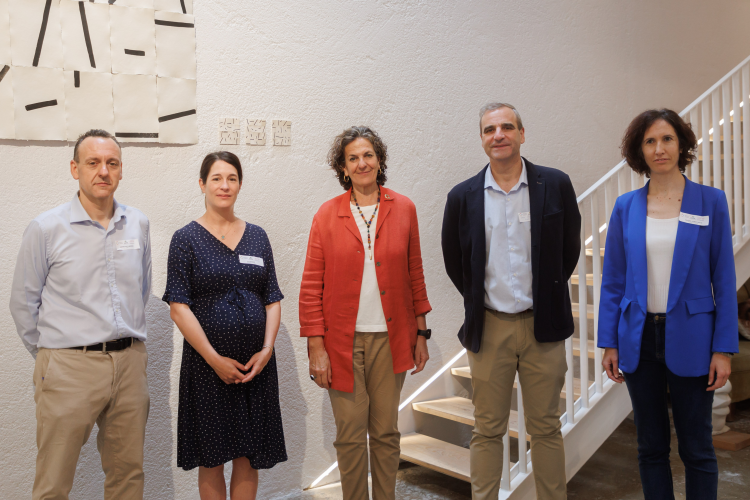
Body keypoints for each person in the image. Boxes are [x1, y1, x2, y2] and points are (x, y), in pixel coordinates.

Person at [442, 103, 581, 500]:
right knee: (487, 429)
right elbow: (456, 262)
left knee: (546, 429)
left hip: (544, 327)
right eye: (489, 130)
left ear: (522, 133)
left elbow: (568, 249)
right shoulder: (463, 196)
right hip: (490, 328)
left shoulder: (554, 184)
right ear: (482, 140)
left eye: (507, 127)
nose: (498, 135)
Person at [599, 109, 737, 500]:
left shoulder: (710, 201)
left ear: (682, 145)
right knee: (650, 447)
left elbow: (724, 281)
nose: (659, 149)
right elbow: (613, 282)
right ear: (639, 151)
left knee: (697, 448)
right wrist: (609, 341)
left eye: (667, 139)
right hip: (638, 339)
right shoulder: (626, 206)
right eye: (650, 141)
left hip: (694, 337)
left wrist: (723, 349)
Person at [9, 129, 152, 500]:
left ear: (121, 171)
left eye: (112, 163)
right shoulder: (46, 228)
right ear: (75, 169)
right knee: (54, 481)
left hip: (130, 365)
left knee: (128, 476)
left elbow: (142, 289)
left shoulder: (138, 223)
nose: (103, 171)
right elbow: (23, 303)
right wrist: (51, 356)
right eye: (93, 163)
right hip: (68, 367)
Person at [299, 126, 431, 500]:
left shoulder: (403, 208)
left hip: (392, 341)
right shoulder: (327, 215)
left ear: (379, 160)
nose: (362, 163)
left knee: (386, 432)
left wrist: (422, 334)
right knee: (350, 435)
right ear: (342, 168)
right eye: (352, 158)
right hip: (342, 344)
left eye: (368, 155)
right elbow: (311, 288)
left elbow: (415, 275)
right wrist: (316, 347)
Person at [163, 152, 286, 500]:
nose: (224, 185)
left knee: (249, 455)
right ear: (202, 184)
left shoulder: (258, 236)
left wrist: (267, 349)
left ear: (240, 184)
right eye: (216, 178)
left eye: (232, 178)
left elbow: (272, 297)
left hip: (256, 367)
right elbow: (178, 307)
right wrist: (215, 359)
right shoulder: (185, 238)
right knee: (211, 457)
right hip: (207, 368)